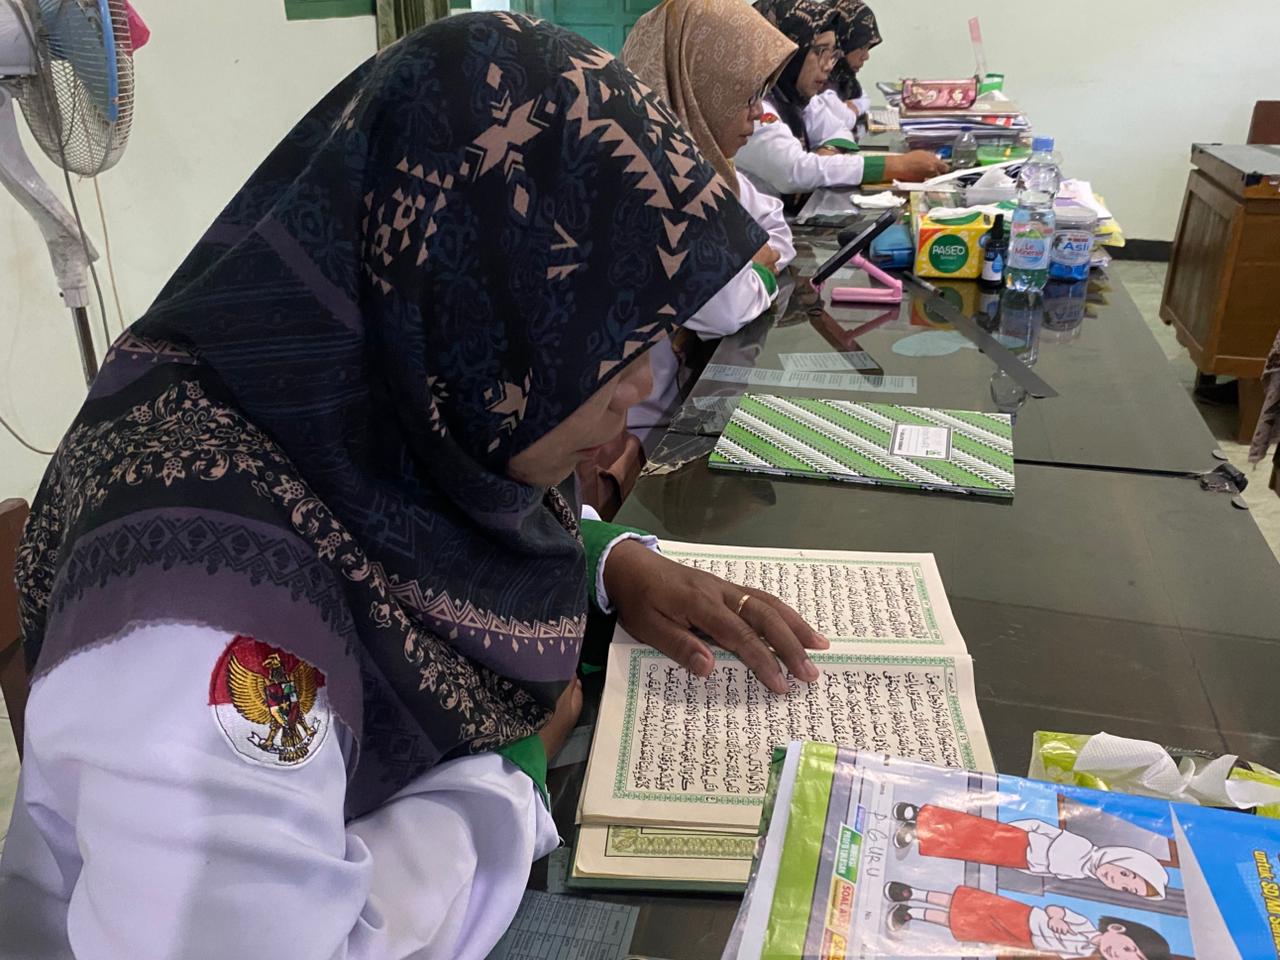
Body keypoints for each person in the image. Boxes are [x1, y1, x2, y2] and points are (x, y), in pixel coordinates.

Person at [0, 14, 828, 958]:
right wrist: (512, 775)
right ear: (482, 310)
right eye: (607, 342)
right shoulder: (200, 635)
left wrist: (610, 563)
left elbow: (422, 526)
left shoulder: (363, 391)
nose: (639, 385)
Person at [618, 0, 798, 455]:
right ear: (698, 87)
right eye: (745, 95)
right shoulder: (649, 177)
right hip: (637, 434)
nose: (758, 113)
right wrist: (758, 270)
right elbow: (725, 308)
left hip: (676, 404)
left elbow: (776, 225)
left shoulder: (708, 168)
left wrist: (743, 266)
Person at [736, 0, 946, 206]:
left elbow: (840, 130)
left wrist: (827, 152)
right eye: (820, 51)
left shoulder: (798, 99)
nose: (829, 65)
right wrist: (896, 166)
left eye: (833, 54)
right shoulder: (751, 107)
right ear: (787, 52)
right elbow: (795, 172)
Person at [891, 803, 1169, 898]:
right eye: (1125, 873)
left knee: (966, 848)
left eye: (1126, 887)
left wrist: (1022, 866)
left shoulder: (1081, 873)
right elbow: (1043, 828)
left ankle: (916, 836)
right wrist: (1013, 829)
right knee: (967, 829)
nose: (1116, 880)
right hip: (1018, 840)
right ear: (1120, 858)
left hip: (1017, 858)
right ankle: (917, 815)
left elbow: (1045, 870)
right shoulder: (1084, 848)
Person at [884, 885, 1172, 960]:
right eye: (1127, 949)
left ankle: (912, 913)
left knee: (963, 925)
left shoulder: (1085, 953)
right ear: (1117, 928)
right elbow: (1056, 909)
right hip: (1022, 916)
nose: (1118, 955)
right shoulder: (1084, 924)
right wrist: (1056, 917)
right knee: (964, 903)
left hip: (1024, 939)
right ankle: (914, 893)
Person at [820, 0, 882, 126]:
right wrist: (850, 111)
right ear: (842, 43)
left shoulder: (843, 79)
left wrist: (855, 107)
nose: (866, 56)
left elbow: (864, 99)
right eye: (862, 46)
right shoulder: (818, 81)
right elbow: (845, 119)